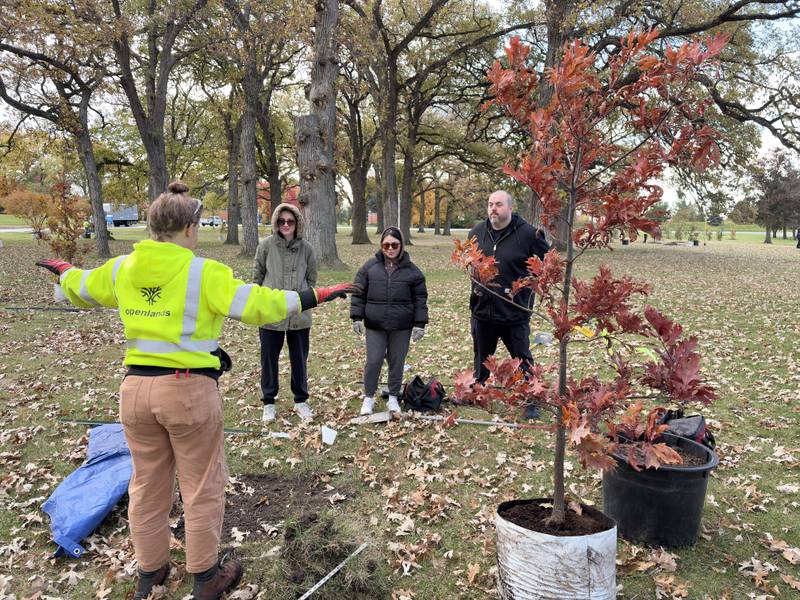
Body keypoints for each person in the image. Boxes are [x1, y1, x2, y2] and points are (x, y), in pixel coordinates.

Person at [36, 181, 357, 600]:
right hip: (187, 392)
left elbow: (81, 286)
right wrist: (317, 294)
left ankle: (151, 573)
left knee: (147, 486)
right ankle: (206, 577)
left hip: (135, 392)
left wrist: (65, 271)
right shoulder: (203, 272)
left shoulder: (122, 268)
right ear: (188, 227)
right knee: (202, 486)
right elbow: (262, 304)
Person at [468, 190, 550, 417]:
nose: (493, 209)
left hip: (515, 313)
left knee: (523, 359)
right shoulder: (476, 233)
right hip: (483, 311)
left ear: (510, 208)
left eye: (499, 204)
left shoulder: (529, 235)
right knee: (482, 358)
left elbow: (546, 266)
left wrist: (530, 288)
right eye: (490, 204)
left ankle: (531, 399)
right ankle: (478, 391)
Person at [351, 226, 428, 415]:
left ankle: (393, 396)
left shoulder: (413, 272)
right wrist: (356, 317)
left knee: (397, 361)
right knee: (374, 360)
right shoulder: (369, 268)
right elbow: (358, 293)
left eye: (394, 244)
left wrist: (420, 324)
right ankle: (368, 396)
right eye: (386, 245)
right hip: (375, 324)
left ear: (401, 245)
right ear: (381, 246)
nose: (390, 248)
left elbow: (420, 299)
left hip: (401, 326)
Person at [253, 203, 317, 422]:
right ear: (276, 223)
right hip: (271, 313)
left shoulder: (307, 248)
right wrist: (263, 302)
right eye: (282, 221)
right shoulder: (266, 246)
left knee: (299, 359)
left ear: (297, 223)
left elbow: (311, 278)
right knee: (268, 359)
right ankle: (268, 402)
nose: (286, 225)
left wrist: (302, 298)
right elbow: (257, 275)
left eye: (290, 221)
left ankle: (301, 400)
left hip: (299, 315)